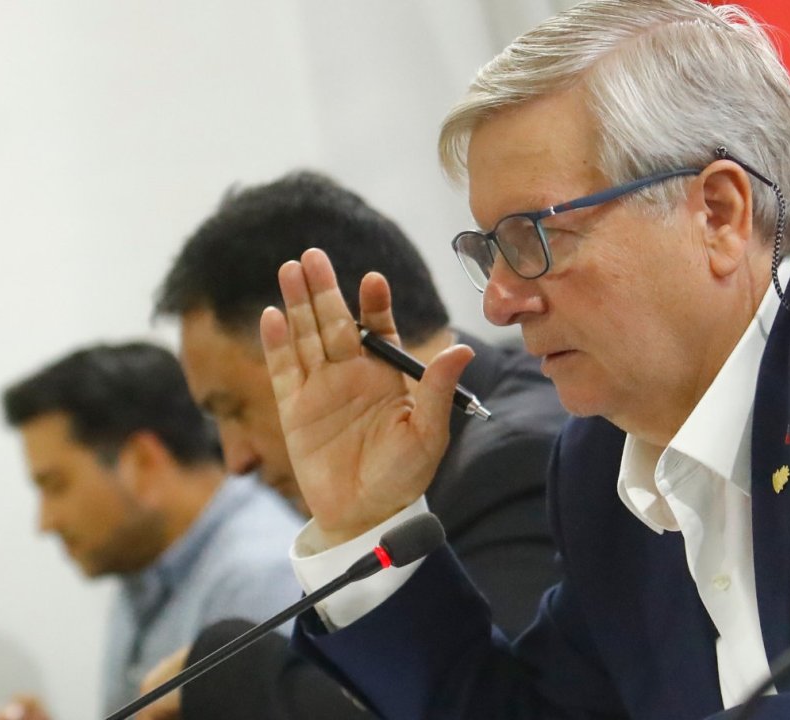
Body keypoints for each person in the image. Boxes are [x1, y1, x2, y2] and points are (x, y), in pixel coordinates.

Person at [259, 1, 790, 718]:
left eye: (534, 238)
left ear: (718, 212)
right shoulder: (600, 461)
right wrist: (363, 524)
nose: (499, 304)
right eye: (490, 252)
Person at [145, 170, 568, 718]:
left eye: (234, 409)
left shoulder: (518, 463)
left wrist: (227, 676)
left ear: (336, 337)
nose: (236, 460)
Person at [0, 342, 303, 717]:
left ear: (142, 462)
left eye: (56, 486)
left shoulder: (259, 579)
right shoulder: (142, 558)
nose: (45, 523)